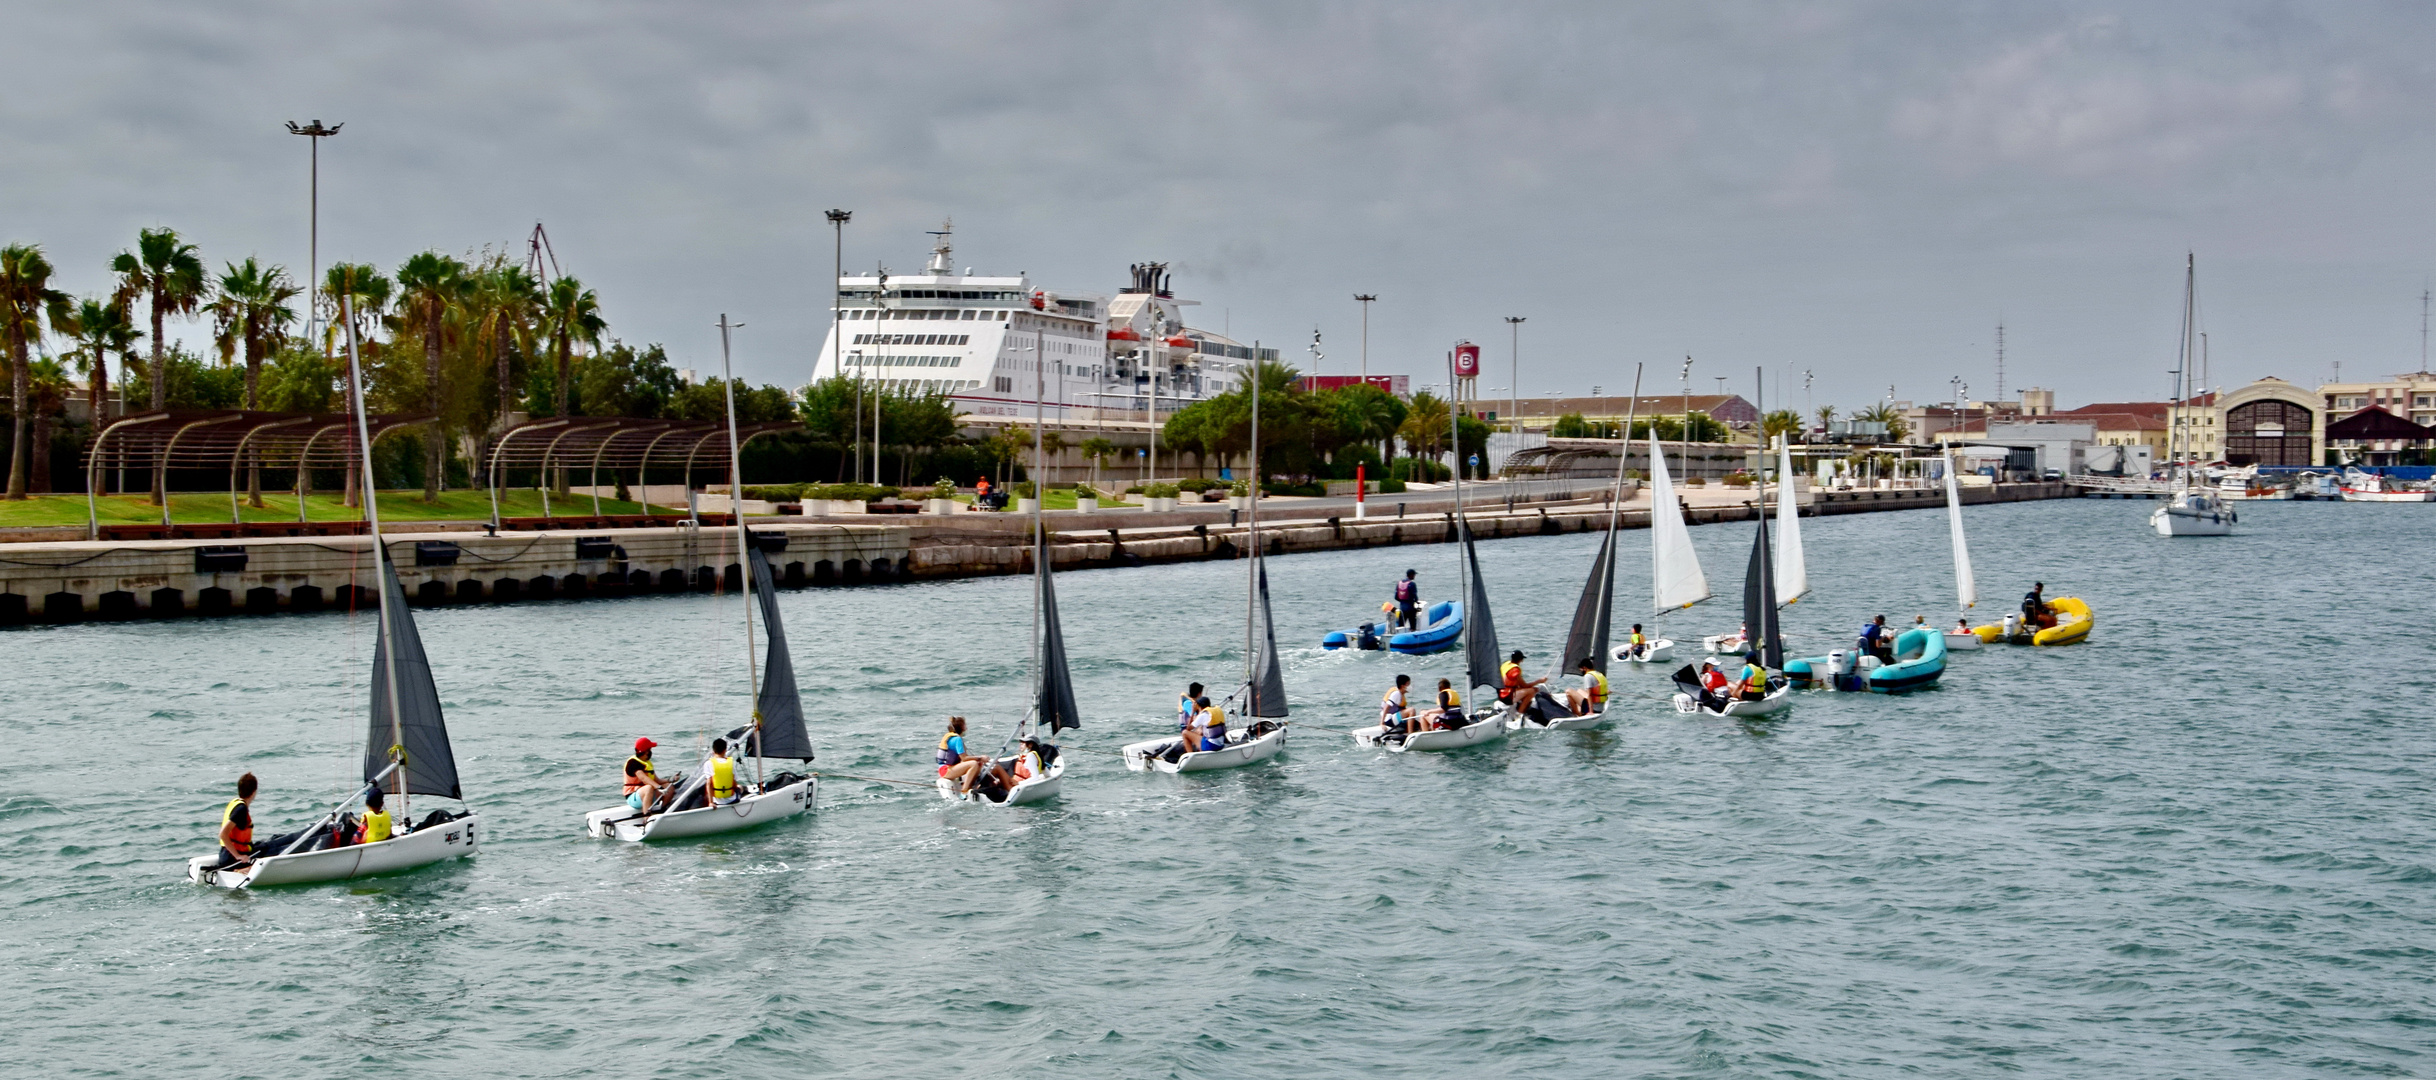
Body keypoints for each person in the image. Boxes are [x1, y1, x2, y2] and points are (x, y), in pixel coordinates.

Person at [212, 772, 259, 871]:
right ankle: (241, 870)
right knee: (278, 846)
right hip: (232, 858)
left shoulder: (235, 802)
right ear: (254, 792)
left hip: (226, 854)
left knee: (275, 839)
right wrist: (238, 856)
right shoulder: (241, 809)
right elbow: (223, 834)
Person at [938, 716, 989, 793]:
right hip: (945, 770)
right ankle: (964, 790)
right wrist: (980, 757)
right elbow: (964, 758)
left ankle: (971, 786)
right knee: (973, 763)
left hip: (948, 768)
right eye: (965, 725)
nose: (966, 728)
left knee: (978, 764)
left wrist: (979, 760)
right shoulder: (957, 739)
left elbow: (964, 758)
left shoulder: (955, 737)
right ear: (961, 727)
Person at [624, 737, 673, 815]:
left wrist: (670, 780)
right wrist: (658, 787)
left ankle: (662, 810)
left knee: (669, 786)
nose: (651, 752)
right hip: (634, 797)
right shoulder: (633, 763)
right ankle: (646, 817)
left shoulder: (647, 763)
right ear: (645, 751)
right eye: (650, 749)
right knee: (648, 788)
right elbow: (643, 778)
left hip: (649, 794)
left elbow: (657, 781)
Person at [1499, 650, 1546, 715]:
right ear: (1520, 660)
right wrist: (1539, 681)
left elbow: (1517, 684)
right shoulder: (1515, 670)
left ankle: (1523, 707)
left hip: (1501, 694)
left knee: (1529, 690)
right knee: (1531, 691)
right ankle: (1520, 713)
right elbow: (1524, 686)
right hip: (1507, 697)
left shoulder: (1506, 665)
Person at [1379, 674, 1422, 741]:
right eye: (1408, 684)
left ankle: (1405, 734)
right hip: (1388, 720)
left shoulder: (1401, 694)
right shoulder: (1396, 694)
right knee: (1411, 710)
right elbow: (1386, 707)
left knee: (1418, 724)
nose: (1410, 686)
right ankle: (1409, 735)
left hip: (1394, 718)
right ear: (1402, 686)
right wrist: (1382, 723)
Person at [707, 737, 741, 806]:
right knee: (740, 787)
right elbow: (734, 783)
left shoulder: (708, 763)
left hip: (716, 801)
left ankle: (711, 802)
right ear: (725, 750)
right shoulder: (731, 763)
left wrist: (711, 802)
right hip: (732, 800)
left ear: (713, 751)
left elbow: (709, 784)